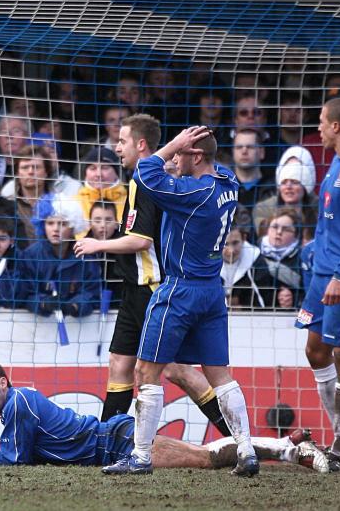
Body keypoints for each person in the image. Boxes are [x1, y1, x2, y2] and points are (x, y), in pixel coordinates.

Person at [100, 125, 258, 477]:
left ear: (196, 155)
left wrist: (171, 146)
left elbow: (144, 172)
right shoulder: (228, 183)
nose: (174, 158)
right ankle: (246, 449)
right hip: (212, 291)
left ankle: (141, 456)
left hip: (179, 290)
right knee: (219, 373)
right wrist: (181, 159)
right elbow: (195, 170)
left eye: (181, 153)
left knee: (146, 371)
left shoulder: (191, 193)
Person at [74, 114, 233, 442]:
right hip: (134, 286)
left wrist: (97, 244)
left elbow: (141, 241)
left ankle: (237, 434)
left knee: (176, 370)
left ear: (141, 144)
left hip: (154, 286)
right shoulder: (144, 180)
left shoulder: (146, 183)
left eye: (122, 142)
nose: (118, 148)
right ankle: (107, 442)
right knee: (119, 362)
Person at [0, 361, 330, 473]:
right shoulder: (18, 403)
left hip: (118, 443)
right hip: (112, 442)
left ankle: (286, 448)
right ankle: (285, 447)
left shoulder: (17, 405)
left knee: (206, 458)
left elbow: (17, 460)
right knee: (204, 457)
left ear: (3, 382)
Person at [295, 97, 340, 469]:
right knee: (315, 350)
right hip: (321, 272)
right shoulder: (336, 162)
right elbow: (332, 221)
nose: (318, 128)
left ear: (336, 126)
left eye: (321, 122)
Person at [23, 195, 100, 318]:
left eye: (63, 224)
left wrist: (74, 306)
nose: (55, 229)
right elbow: (26, 294)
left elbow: (92, 293)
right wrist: (44, 303)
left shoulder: (85, 256)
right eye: (50, 223)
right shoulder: (30, 255)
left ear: (73, 227)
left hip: (78, 326)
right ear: (42, 225)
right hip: (38, 324)